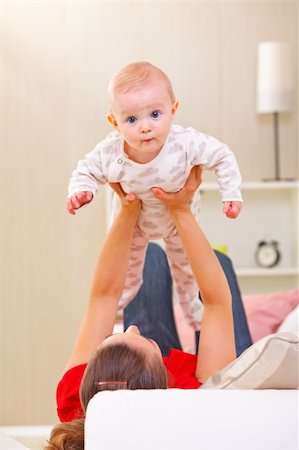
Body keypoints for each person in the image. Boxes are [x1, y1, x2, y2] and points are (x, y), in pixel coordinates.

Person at [46, 167, 251, 450]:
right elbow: (217, 303)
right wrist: (181, 211)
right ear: (166, 378)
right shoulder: (202, 396)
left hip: (146, 376)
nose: (132, 326)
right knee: (220, 264)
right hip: (211, 381)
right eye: (147, 340)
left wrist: (129, 207)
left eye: (110, 339)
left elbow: (104, 297)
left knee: (151, 256)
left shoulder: (76, 404)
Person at [66, 61, 243, 332]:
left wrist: (230, 192)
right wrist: (82, 191)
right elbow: (86, 169)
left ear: (173, 111)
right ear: (115, 123)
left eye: (155, 114)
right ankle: (116, 320)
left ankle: (197, 322)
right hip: (135, 226)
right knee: (130, 273)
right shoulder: (112, 151)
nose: (145, 127)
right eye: (132, 119)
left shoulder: (185, 143)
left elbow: (222, 156)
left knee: (187, 275)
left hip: (178, 225)